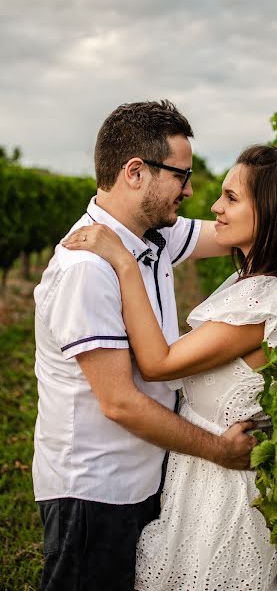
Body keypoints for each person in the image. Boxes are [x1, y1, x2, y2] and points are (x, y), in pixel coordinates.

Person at [62, 144, 277, 590]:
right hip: (201, 479)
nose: (215, 207)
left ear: (272, 210)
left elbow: (159, 363)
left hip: (226, 494)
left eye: (232, 199)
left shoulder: (263, 300)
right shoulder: (246, 282)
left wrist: (123, 261)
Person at [32, 100, 257, 591]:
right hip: (95, 493)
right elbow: (120, 403)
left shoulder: (154, 237)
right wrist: (219, 450)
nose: (191, 190)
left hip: (142, 478)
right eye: (182, 175)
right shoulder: (85, 269)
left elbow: (238, 231)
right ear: (136, 172)